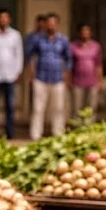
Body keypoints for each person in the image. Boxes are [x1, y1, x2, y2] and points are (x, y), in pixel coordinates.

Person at [25, 12, 72, 140]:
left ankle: (58, 134)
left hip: (58, 79)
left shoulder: (63, 40)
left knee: (58, 108)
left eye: (53, 23)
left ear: (57, 25)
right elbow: (29, 56)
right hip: (41, 78)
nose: (51, 25)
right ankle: (35, 135)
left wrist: (66, 75)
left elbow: (68, 59)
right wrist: (31, 73)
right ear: (45, 24)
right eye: (49, 23)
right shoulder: (38, 39)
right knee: (38, 108)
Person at [0, 9, 22, 139]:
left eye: (6, 18)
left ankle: (10, 133)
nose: (3, 20)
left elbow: (18, 55)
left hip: (10, 75)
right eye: (1, 18)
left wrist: (18, 71)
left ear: (9, 20)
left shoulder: (15, 35)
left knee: (10, 106)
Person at [70, 23, 103, 119]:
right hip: (77, 81)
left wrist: (100, 81)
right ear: (80, 33)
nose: (85, 33)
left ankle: (90, 128)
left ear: (90, 33)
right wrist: (68, 79)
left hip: (93, 81)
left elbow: (98, 64)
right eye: (83, 31)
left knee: (92, 106)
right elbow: (69, 64)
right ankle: (77, 128)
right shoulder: (73, 46)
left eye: (87, 31)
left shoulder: (96, 46)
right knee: (77, 107)